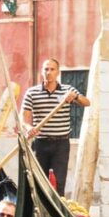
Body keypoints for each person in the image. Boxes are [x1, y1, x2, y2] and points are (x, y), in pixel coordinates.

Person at [22, 59, 90, 196]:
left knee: (59, 182)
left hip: (61, 143)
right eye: (46, 69)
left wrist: (75, 96)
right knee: (39, 181)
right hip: (40, 143)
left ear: (58, 72)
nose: (49, 72)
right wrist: (29, 128)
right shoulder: (32, 93)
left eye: (52, 69)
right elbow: (24, 118)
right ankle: (40, 212)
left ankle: (58, 210)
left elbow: (87, 102)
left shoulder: (68, 90)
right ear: (42, 71)